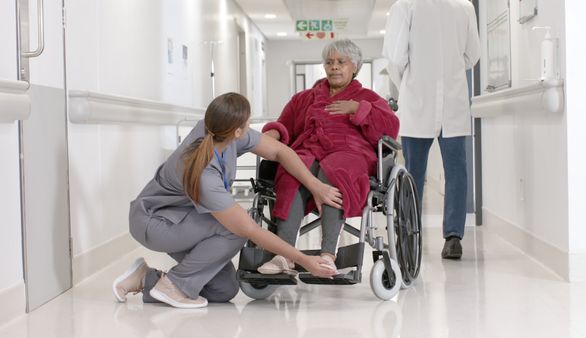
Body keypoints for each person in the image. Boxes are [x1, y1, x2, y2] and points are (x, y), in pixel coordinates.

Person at [112, 92, 342, 309]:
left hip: (188, 220)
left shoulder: (221, 132)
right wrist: (304, 260)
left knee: (223, 290)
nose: (251, 127)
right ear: (238, 130)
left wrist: (316, 186)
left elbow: (280, 152)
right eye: (248, 123)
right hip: (155, 222)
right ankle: (174, 285)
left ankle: (146, 277)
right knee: (235, 229)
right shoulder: (204, 173)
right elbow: (249, 230)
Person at [257, 39, 399, 274]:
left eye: (341, 62)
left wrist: (357, 109)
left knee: (336, 170)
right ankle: (284, 255)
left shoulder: (368, 97)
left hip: (350, 152)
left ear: (355, 66)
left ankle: (327, 255)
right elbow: (285, 125)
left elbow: (390, 127)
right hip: (310, 150)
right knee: (291, 172)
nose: (334, 67)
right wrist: (270, 134)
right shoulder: (305, 98)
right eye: (329, 62)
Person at [382, 0, 480, 259]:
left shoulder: (405, 5)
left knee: (413, 173)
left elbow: (395, 58)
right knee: (457, 170)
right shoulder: (465, 6)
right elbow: (472, 55)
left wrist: (411, 83)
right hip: (454, 102)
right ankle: (453, 238)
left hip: (418, 102)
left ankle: (408, 235)